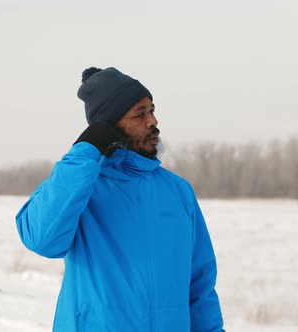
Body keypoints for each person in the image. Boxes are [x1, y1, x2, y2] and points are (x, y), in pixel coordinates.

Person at [16, 67, 225, 331]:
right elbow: (41, 239)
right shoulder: (81, 188)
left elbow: (200, 286)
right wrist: (86, 150)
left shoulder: (177, 191)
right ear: (110, 126)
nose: (153, 121)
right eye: (140, 114)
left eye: (152, 110)